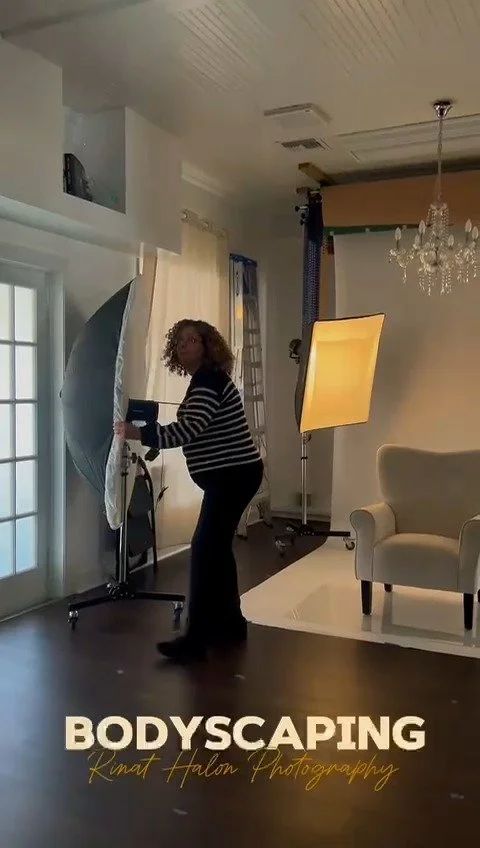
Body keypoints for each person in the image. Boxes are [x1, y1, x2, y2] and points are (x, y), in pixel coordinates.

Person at [114, 319, 264, 663]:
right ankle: (232, 623)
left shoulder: (209, 381)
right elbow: (194, 427)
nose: (183, 346)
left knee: (204, 548)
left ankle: (196, 639)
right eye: (179, 342)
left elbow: (187, 430)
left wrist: (139, 433)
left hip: (233, 477)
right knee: (217, 549)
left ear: (207, 346)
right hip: (234, 476)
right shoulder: (204, 381)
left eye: (191, 340)